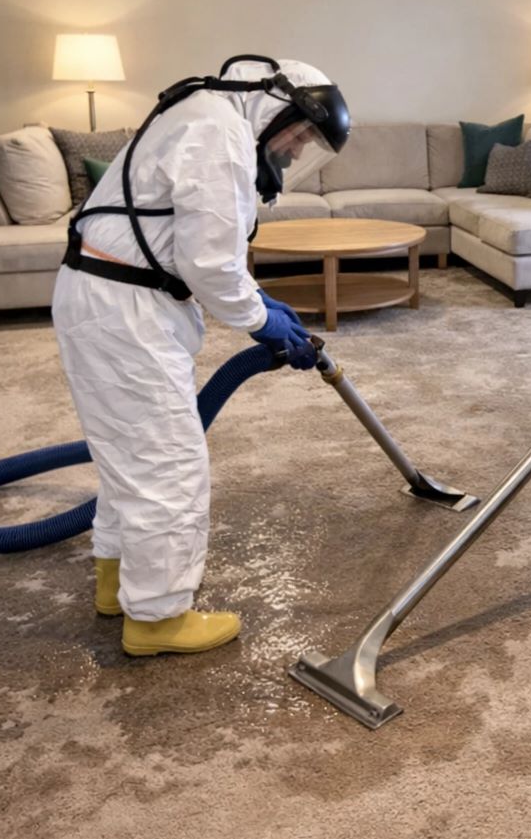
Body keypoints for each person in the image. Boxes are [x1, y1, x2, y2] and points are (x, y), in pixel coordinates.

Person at [52, 56, 351, 656]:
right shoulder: (220, 132)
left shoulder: (203, 112)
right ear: (275, 105)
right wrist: (262, 321)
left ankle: (117, 583)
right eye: (299, 134)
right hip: (125, 312)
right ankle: (157, 618)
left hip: (108, 298)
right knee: (168, 464)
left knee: (131, 455)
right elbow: (209, 264)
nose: (296, 150)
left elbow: (192, 241)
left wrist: (257, 298)